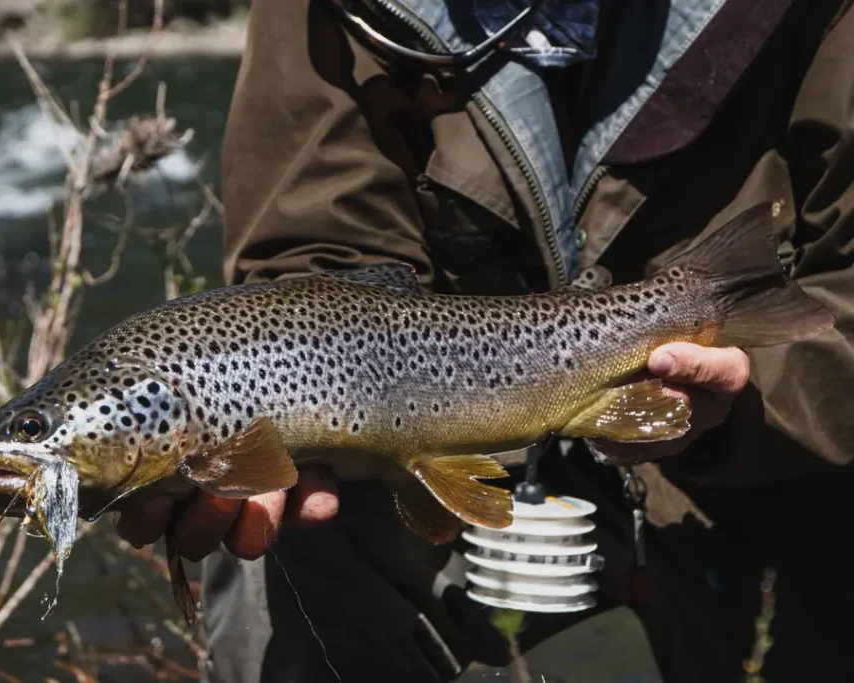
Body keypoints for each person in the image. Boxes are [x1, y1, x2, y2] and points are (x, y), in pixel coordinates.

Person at [115, 1, 854, 681]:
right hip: (450, 435)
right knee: (273, 549)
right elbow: (318, 260)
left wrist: (748, 399)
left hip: (763, 475)